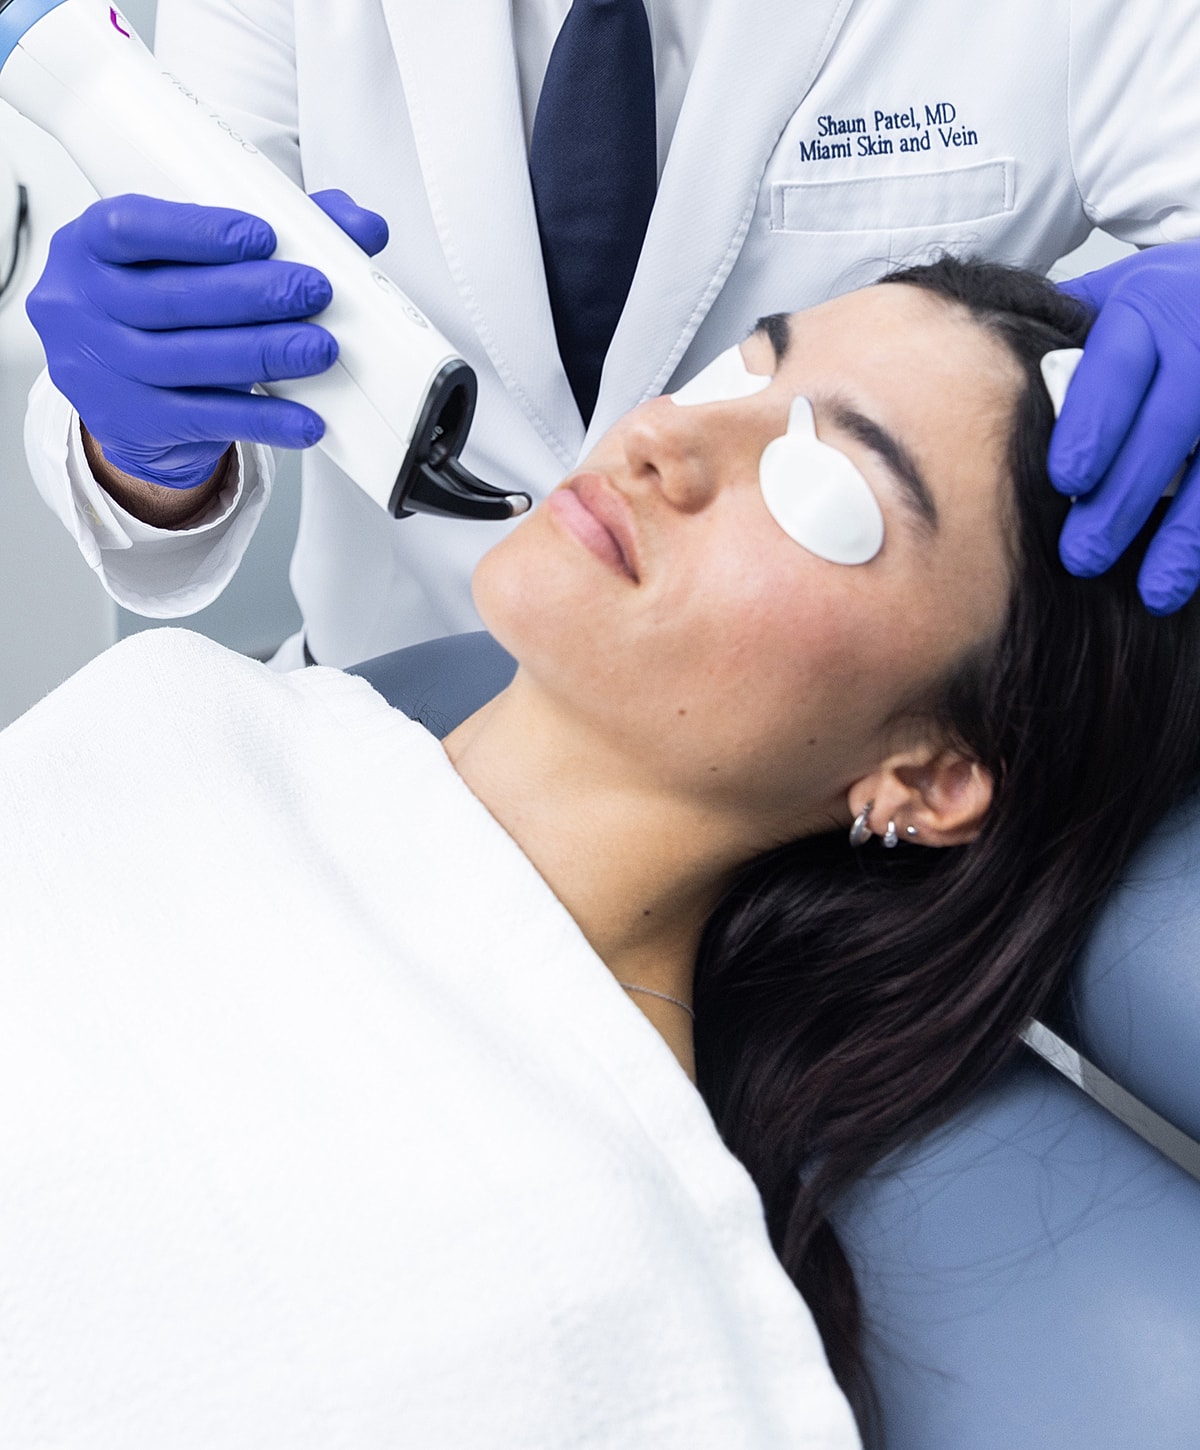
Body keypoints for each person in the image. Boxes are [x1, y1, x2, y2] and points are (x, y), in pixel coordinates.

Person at [4, 258, 1200, 1443]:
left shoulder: (595, 1293)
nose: (663, 442)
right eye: (746, 365)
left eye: (821, 480)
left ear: (926, 779)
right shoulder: (180, 716)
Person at [21, 0, 1200, 668]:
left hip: (794, 837)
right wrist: (146, 449)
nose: (639, 461)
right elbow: (188, 276)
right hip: (384, 716)